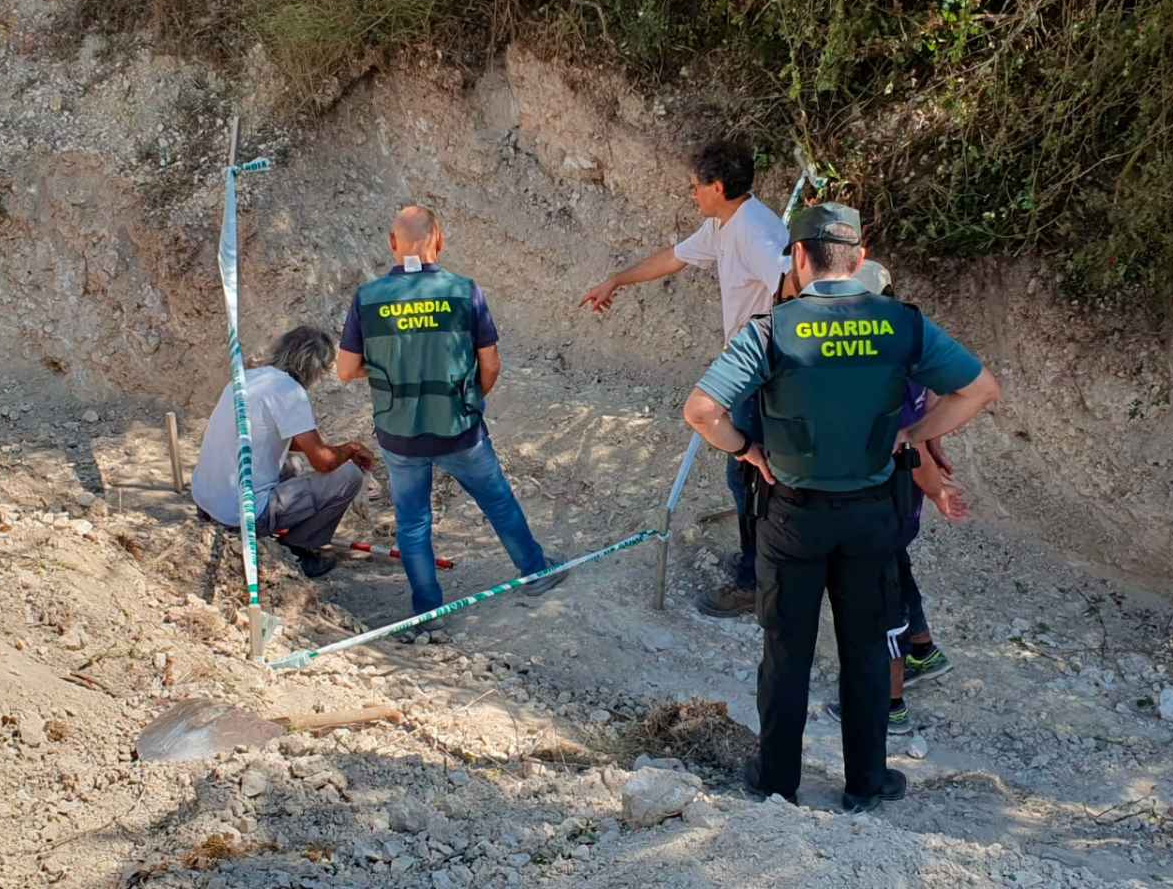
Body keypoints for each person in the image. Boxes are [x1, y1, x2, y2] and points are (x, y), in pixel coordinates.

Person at [682, 204, 1000, 812]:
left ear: (798, 258)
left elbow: (700, 412)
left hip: (792, 516)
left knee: (786, 650)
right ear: (858, 257)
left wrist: (748, 450)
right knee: (865, 647)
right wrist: (911, 436)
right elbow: (980, 390)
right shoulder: (903, 325)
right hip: (872, 515)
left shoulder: (770, 328)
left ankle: (777, 781)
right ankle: (867, 782)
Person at [580, 139, 788, 618]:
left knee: (752, 476)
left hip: (761, 371)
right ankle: (762, 568)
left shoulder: (755, 232)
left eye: (695, 187)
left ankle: (758, 582)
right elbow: (674, 256)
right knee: (744, 472)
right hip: (750, 366)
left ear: (718, 186)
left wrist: (768, 352)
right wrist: (618, 279)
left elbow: (789, 284)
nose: (691, 194)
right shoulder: (724, 224)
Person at [337, 205, 564, 628]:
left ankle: (426, 611)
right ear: (438, 240)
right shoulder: (464, 291)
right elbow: (491, 364)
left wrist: (394, 369)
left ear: (392, 243)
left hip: (399, 432)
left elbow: (347, 370)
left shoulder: (367, 299)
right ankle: (535, 572)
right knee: (497, 501)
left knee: (412, 522)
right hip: (459, 428)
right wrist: (470, 399)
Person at [819, 264, 968, 735]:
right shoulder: (906, 342)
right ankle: (923, 650)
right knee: (896, 571)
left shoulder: (878, 366)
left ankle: (889, 703)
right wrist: (934, 437)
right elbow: (949, 394)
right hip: (901, 499)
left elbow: (906, 445)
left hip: (886, 494)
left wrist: (936, 486)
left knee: (878, 603)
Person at [192, 326, 374, 580]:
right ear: (314, 368)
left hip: (206, 500)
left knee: (293, 463)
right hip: (240, 515)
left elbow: (277, 440)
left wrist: (332, 450)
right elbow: (323, 462)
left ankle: (288, 530)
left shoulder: (248, 378)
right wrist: (350, 450)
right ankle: (301, 549)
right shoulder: (289, 392)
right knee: (349, 476)